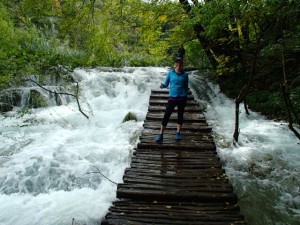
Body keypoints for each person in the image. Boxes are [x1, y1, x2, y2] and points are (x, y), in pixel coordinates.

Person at [155, 57, 189, 142]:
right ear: (175, 64)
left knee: (180, 115)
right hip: (172, 97)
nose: (179, 64)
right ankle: (161, 134)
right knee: (167, 115)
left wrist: (185, 95)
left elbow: (186, 86)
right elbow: (166, 84)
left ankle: (178, 133)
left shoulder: (185, 75)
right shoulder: (170, 73)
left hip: (182, 97)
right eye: (177, 63)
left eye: (180, 63)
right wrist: (163, 85)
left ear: (182, 64)